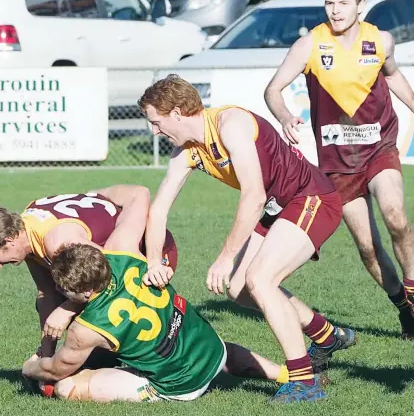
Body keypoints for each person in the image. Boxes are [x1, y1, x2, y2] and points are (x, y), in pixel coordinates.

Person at [136, 74, 356, 403]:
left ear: (178, 113)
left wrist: (225, 257)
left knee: (260, 280)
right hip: (276, 207)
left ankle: (304, 381)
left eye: (156, 122)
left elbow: (253, 196)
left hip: (310, 198)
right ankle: (325, 335)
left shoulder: (230, 124)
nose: (155, 131)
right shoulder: (187, 152)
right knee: (240, 290)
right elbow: (159, 209)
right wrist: (154, 260)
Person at [22, 190, 288, 403]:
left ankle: (153, 389)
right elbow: (138, 197)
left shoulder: (85, 330)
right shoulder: (122, 249)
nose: (58, 291)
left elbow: (56, 370)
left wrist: (30, 368)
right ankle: (287, 375)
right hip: (211, 347)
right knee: (214, 349)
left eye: (62, 288)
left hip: (180, 385)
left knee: (66, 388)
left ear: (86, 292)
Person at [264, 0, 414, 340]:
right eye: (329, 2)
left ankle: (412, 289)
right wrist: (285, 116)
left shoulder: (381, 41)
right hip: (337, 161)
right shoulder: (310, 45)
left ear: (361, 5)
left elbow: (392, 75)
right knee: (367, 248)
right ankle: (403, 307)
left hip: (379, 147)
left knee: (395, 214)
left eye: (343, 3)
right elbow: (272, 89)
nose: (335, 10)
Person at [0, 185, 178, 359]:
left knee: (92, 314)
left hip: (148, 254)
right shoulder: (27, 228)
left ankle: (160, 357)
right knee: (70, 299)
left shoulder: (59, 243)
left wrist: (66, 310)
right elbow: (46, 293)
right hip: (108, 261)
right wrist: (46, 350)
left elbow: (112, 275)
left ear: (8, 239)